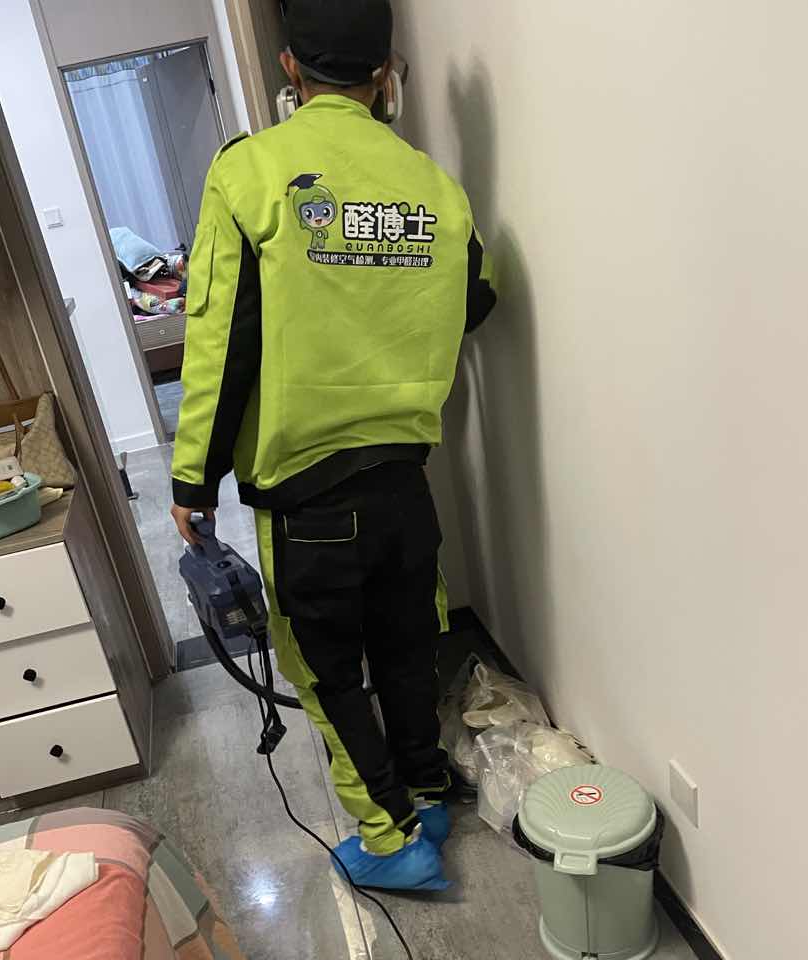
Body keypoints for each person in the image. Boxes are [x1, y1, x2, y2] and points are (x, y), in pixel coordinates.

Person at [171, 0, 496, 891]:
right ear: (385, 72)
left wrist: (192, 481)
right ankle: (427, 789)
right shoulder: (434, 187)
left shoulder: (250, 171)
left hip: (306, 497)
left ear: (289, 66)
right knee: (406, 647)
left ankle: (392, 840)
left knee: (327, 674)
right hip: (405, 485)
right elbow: (477, 300)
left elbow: (221, 339)